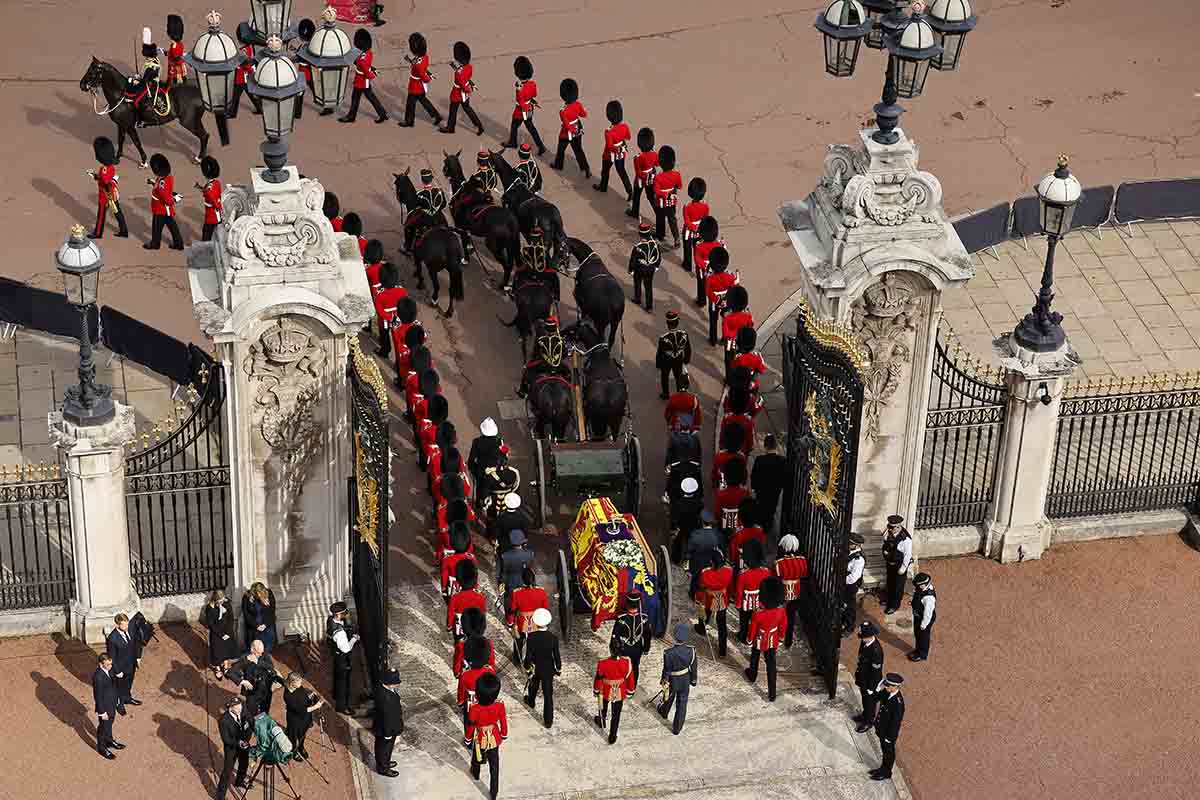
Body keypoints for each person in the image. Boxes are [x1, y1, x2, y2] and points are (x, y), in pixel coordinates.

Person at [465, 672, 506, 800]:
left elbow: (471, 725)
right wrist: (503, 734)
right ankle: (494, 792)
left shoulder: (474, 708)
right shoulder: (499, 705)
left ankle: (476, 773)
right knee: (494, 766)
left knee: (477, 755)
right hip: (494, 737)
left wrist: (468, 738)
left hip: (480, 736)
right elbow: (503, 721)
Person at [745, 576, 786, 701]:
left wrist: (749, 639)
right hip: (772, 638)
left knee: (755, 656)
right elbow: (783, 626)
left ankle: (752, 675)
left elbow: (753, 628)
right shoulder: (781, 611)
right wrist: (781, 637)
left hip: (759, 637)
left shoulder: (758, 612)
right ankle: (772, 693)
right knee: (771, 664)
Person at [657, 623, 698, 735]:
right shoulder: (692, 651)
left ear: (675, 636)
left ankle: (664, 712)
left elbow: (666, 669)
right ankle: (677, 728)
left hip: (672, 679)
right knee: (682, 704)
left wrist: (664, 681)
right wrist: (693, 680)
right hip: (685, 679)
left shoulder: (668, 653)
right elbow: (694, 667)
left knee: (668, 697)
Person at [522, 607, 560, 728]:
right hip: (548, 668)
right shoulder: (553, 638)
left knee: (533, 686)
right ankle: (548, 721)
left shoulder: (531, 637)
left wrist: (527, 668)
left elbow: (528, 656)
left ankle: (531, 702)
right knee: (548, 695)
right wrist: (558, 669)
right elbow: (557, 656)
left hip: (535, 667)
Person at [339, 28, 387, 123]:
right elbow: (364, 64)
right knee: (370, 98)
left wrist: (373, 73)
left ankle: (351, 116)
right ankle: (382, 113)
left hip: (361, 82)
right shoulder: (368, 53)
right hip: (362, 81)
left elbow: (366, 71)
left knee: (358, 99)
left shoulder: (362, 58)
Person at [593, 639, 636, 744]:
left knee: (603, 706)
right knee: (616, 714)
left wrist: (596, 690)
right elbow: (630, 678)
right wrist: (630, 691)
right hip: (620, 691)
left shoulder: (602, 663)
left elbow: (598, 678)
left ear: (610, 650)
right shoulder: (627, 662)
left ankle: (601, 720)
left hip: (606, 690)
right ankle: (612, 736)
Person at [226, 639, 283, 717]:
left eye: (262, 652)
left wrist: (258, 662)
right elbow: (230, 672)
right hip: (252, 690)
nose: (260, 654)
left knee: (265, 709)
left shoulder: (265, 655)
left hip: (266, 688)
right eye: (258, 652)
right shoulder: (244, 659)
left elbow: (271, 668)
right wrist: (243, 681)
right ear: (252, 649)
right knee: (251, 711)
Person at [694, 548, 733, 657]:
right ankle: (722, 650)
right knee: (722, 625)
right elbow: (730, 586)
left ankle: (702, 628)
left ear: (712, 562)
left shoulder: (705, 572)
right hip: (722, 599)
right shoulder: (729, 571)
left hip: (708, 599)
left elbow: (701, 587)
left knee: (704, 613)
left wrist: (698, 597)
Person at [88, 136, 128, 239]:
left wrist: (111, 182)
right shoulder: (110, 167)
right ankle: (124, 231)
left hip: (105, 195)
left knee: (101, 215)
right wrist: (95, 176)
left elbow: (106, 182)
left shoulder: (104, 169)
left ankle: (98, 233)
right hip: (112, 194)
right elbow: (105, 179)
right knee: (117, 212)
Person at [507, 566, 549, 663]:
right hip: (536, 622)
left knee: (518, 640)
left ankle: (517, 658)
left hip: (522, 623)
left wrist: (511, 623)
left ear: (523, 580)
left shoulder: (516, 593)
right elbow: (545, 609)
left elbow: (512, 610)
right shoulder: (541, 592)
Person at [773, 534, 809, 648]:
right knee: (791, 617)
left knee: (780, 616)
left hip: (782, 592)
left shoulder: (779, 563)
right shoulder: (802, 560)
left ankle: (779, 636)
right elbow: (804, 574)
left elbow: (775, 578)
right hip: (797, 592)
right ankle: (788, 641)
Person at [609, 591, 652, 685]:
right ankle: (632, 686)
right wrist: (646, 649)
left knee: (622, 667)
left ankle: (623, 684)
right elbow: (647, 636)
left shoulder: (621, 618)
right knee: (635, 667)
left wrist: (613, 650)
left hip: (623, 649)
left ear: (627, 603)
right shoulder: (644, 618)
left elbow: (615, 636)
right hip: (637, 648)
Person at [440, 41, 484, 135]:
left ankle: (450, 127)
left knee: (453, 111)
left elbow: (462, 82)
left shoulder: (459, 73)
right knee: (468, 109)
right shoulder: (469, 67)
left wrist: (466, 88)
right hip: (465, 94)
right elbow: (465, 77)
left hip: (457, 93)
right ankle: (479, 125)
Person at [400, 33, 442, 128]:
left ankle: (409, 121)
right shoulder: (424, 57)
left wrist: (428, 78)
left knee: (410, 104)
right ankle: (436, 116)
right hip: (420, 86)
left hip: (415, 86)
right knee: (424, 102)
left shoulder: (418, 63)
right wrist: (409, 60)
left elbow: (422, 74)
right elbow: (417, 65)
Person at [506, 56, 546, 154]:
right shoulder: (532, 84)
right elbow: (534, 94)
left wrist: (519, 90)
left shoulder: (520, 88)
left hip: (521, 110)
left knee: (514, 125)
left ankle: (513, 142)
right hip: (530, 108)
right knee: (531, 128)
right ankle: (540, 146)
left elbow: (520, 101)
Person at [551, 78, 589, 177]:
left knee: (561, 149)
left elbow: (566, 124)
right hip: (577, 127)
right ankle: (585, 168)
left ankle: (558, 165)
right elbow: (584, 115)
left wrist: (571, 130)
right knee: (578, 150)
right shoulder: (578, 104)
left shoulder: (563, 111)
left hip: (566, 133)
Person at [143, 153, 182, 250]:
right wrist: (153, 183)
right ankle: (178, 244)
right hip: (164, 209)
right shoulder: (167, 177)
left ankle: (155, 244)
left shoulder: (161, 183)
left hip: (160, 209)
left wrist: (174, 199)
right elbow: (163, 189)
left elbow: (166, 198)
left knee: (156, 228)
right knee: (172, 227)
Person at [734, 539, 770, 644]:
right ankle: (754, 636)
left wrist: (738, 604)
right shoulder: (766, 572)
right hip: (760, 601)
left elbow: (740, 592)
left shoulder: (743, 574)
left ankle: (743, 635)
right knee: (756, 621)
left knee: (744, 620)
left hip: (746, 601)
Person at [871, 674, 906, 781]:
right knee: (884, 751)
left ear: (896, 687)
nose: (885, 687)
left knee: (888, 753)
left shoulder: (898, 704)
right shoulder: (887, 692)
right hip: (882, 730)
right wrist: (877, 688)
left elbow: (895, 723)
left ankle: (886, 772)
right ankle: (882, 769)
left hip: (888, 735)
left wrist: (889, 738)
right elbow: (875, 698)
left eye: (888, 686)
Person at [593, 100, 632, 196]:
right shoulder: (625, 126)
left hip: (609, 155)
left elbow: (610, 146)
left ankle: (603, 186)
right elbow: (628, 137)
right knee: (622, 172)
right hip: (620, 153)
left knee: (605, 171)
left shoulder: (608, 131)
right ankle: (630, 191)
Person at [458, 636, 497, 728]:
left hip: (471, 705)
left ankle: (469, 739)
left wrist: (460, 702)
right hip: (488, 703)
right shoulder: (490, 672)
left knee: (469, 724)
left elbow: (461, 692)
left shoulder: (465, 675)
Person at [327, 601, 359, 714]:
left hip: (335, 655)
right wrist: (354, 639)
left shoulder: (330, 620)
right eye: (344, 613)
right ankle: (342, 706)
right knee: (343, 683)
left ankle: (336, 695)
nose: (346, 615)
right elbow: (346, 649)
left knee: (337, 677)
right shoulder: (339, 633)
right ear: (338, 615)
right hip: (342, 658)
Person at [751, 435, 786, 536]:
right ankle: (768, 526)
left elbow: (754, 476)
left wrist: (754, 488)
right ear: (776, 446)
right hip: (774, 491)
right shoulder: (782, 460)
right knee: (771, 508)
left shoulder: (759, 460)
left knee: (761, 507)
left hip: (761, 491)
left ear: (765, 446)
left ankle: (760, 525)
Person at [106, 613, 142, 711]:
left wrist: (138, 657)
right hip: (121, 668)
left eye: (127, 623)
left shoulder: (130, 629)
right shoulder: (112, 638)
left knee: (129, 683)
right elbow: (112, 657)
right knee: (119, 687)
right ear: (118, 625)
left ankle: (127, 698)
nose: (127, 626)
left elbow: (137, 642)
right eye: (124, 625)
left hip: (131, 664)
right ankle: (119, 703)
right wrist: (117, 671)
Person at [853, 621, 884, 733]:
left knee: (870, 703)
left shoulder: (876, 651)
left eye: (863, 636)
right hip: (863, 678)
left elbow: (876, 672)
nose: (861, 638)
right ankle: (865, 715)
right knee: (865, 700)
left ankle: (868, 721)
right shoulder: (865, 642)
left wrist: (871, 688)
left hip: (870, 682)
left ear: (870, 636)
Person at [283, 673, 322, 761]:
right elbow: (301, 710)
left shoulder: (298, 687)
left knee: (302, 735)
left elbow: (304, 695)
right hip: (295, 720)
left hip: (305, 718)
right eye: (299, 682)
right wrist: (316, 707)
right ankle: (293, 751)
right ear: (292, 683)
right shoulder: (288, 696)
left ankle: (301, 747)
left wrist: (311, 695)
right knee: (293, 737)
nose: (301, 684)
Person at [215, 697, 250, 797]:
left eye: (240, 705)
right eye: (236, 706)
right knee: (227, 771)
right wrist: (238, 743)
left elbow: (250, 720)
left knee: (244, 764)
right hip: (232, 749)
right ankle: (220, 796)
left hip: (244, 744)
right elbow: (226, 739)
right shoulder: (223, 721)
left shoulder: (243, 712)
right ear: (230, 708)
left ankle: (239, 781)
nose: (240, 707)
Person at [201, 589, 239, 678]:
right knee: (217, 651)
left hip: (227, 631)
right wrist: (221, 634)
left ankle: (225, 666)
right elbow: (211, 624)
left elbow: (230, 619)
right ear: (215, 600)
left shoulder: (226, 604)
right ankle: (218, 667)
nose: (222, 602)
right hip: (216, 633)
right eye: (220, 601)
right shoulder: (209, 608)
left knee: (226, 649)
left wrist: (228, 632)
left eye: (223, 600)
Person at [92, 653, 123, 759]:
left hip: (112, 703)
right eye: (108, 665)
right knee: (103, 727)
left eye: (111, 664)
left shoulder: (110, 670)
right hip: (104, 707)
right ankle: (102, 748)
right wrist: (101, 712)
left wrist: (117, 699)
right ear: (101, 664)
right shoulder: (98, 677)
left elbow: (114, 687)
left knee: (110, 723)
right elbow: (98, 696)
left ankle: (109, 741)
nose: (111, 666)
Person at [374, 668, 404, 777]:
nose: (397, 685)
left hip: (388, 727)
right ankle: (383, 768)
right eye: (395, 683)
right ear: (389, 684)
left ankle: (385, 762)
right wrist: (387, 733)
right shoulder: (385, 698)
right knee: (384, 748)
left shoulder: (386, 690)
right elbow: (386, 717)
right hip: (386, 729)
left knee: (386, 748)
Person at [655, 310, 691, 399]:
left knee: (664, 377)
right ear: (677, 323)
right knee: (678, 376)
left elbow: (660, 353)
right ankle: (679, 392)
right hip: (678, 359)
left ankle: (666, 394)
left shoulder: (663, 338)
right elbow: (688, 349)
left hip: (667, 361)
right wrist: (686, 360)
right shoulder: (684, 335)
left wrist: (658, 364)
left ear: (667, 324)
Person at [668, 476, 704, 565]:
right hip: (693, 526)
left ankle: (676, 559)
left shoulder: (677, 503)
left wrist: (673, 527)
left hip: (680, 527)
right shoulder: (699, 503)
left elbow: (673, 517)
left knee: (677, 543)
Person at [704, 247, 737, 345]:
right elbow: (733, 289)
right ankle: (724, 338)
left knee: (713, 320)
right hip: (727, 300)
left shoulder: (710, 279)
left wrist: (717, 300)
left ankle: (713, 339)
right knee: (725, 320)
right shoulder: (730, 277)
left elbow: (708, 292)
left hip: (715, 301)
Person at [651, 145, 682, 248]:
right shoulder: (677, 175)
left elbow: (656, 191)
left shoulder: (658, 177)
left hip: (660, 202)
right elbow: (679, 186)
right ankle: (676, 238)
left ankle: (660, 235)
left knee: (660, 218)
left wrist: (664, 193)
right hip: (672, 201)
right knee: (672, 219)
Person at [448, 560, 487, 640]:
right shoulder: (481, 597)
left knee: (459, 642)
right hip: (475, 626)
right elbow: (482, 614)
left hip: (460, 625)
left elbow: (451, 613)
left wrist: (449, 626)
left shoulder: (455, 597)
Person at [881, 514, 913, 614]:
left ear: (898, 527)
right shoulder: (890, 533)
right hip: (890, 563)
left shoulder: (905, 540)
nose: (890, 529)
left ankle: (894, 605)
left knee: (897, 586)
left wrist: (903, 567)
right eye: (889, 527)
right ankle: (888, 600)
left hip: (899, 565)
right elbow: (886, 543)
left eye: (892, 527)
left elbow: (907, 555)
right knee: (890, 583)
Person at [685, 511, 722, 594]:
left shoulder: (695, 535)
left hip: (696, 565)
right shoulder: (718, 535)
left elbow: (689, 551)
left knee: (695, 581)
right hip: (712, 563)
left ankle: (693, 593)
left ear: (701, 521)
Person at [497, 529, 534, 610]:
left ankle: (510, 619)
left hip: (511, 582)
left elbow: (503, 573)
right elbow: (529, 568)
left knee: (509, 600)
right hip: (525, 580)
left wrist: (501, 582)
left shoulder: (505, 556)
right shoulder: (530, 554)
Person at [628, 222, 661, 312]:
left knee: (637, 284)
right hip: (650, 268)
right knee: (648, 287)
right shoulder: (654, 244)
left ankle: (637, 300)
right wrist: (656, 267)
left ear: (640, 234)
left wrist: (630, 270)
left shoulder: (638, 247)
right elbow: (658, 256)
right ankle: (649, 307)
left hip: (639, 269)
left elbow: (633, 260)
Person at [453, 608, 496, 677]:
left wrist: (457, 672)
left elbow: (458, 661)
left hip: (468, 673)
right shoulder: (488, 642)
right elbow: (491, 661)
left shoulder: (461, 644)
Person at [468, 417, 510, 488]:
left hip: (482, 475)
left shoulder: (476, 442)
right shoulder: (499, 441)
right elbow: (504, 459)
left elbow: (471, 461)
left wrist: (476, 473)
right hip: (497, 473)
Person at [692, 216, 723, 307]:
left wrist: (705, 267)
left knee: (701, 285)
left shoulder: (699, 246)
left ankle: (701, 301)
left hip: (703, 269)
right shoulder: (718, 244)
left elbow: (697, 260)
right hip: (715, 268)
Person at [626, 127, 657, 219]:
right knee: (651, 197)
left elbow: (638, 172)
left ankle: (634, 212)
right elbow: (657, 164)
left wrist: (644, 176)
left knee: (637, 196)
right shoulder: (654, 154)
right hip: (651, 177)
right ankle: (658, 213)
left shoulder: (638, 157)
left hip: (640, 180)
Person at [680, 178, 709, 273]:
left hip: (689, 232)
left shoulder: (687, 207)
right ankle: (698, 265)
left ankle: (687, 265)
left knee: (687, 249)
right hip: (700, 232)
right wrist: (699, 228)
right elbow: (705, 218)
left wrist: (693, 228)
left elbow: (687, 221)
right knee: (697, 250)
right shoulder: (705, 206)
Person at [242, 582, 278, 652]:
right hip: (254, 629)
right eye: (257, 593)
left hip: (268, 627)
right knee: (256, 650)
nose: (259, 595)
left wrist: (265, 624)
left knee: (269, 650)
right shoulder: (247, 597)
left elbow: (272, 612)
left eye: (260, 593)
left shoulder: (269, 594)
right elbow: (246, 614)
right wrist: (256, 626)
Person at [909, 572, 937, 662]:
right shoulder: (922, 589)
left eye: (918, 585)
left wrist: (924, 624)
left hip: (924, 619)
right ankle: (917, 650)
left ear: (924, 584)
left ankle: (922, 654)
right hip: (918, 616)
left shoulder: (929, 598)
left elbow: (928, 613)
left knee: (923, 637)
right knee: (917, 634)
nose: (916, 587)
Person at [843, 532, 866, 635]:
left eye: (850, 543)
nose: (848, 545)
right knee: (842, 603)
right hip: (844, 581)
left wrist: (841, 581)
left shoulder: (859, 559)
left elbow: (853, 578)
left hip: (849, 585)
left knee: (849, 606)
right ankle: (843, 621)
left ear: (856, 545)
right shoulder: (849, 552)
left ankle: (849, 626)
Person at [195, 155, 223, 241]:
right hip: (215, 212)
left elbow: (211, 197)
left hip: (211, 213)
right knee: (217, 231)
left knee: (207, 233)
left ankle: (205, 248)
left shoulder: (209, 188)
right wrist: (200, 188)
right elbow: (210, 193)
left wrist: (218, 207)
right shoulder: (216, 182)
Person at [165, 15, 186, 86]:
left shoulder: (175, 45)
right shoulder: (179, 44)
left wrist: (173, 48)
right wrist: (167, 52)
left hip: (176, 70)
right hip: (174, 68)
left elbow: (176, 57)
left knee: (175, 84)